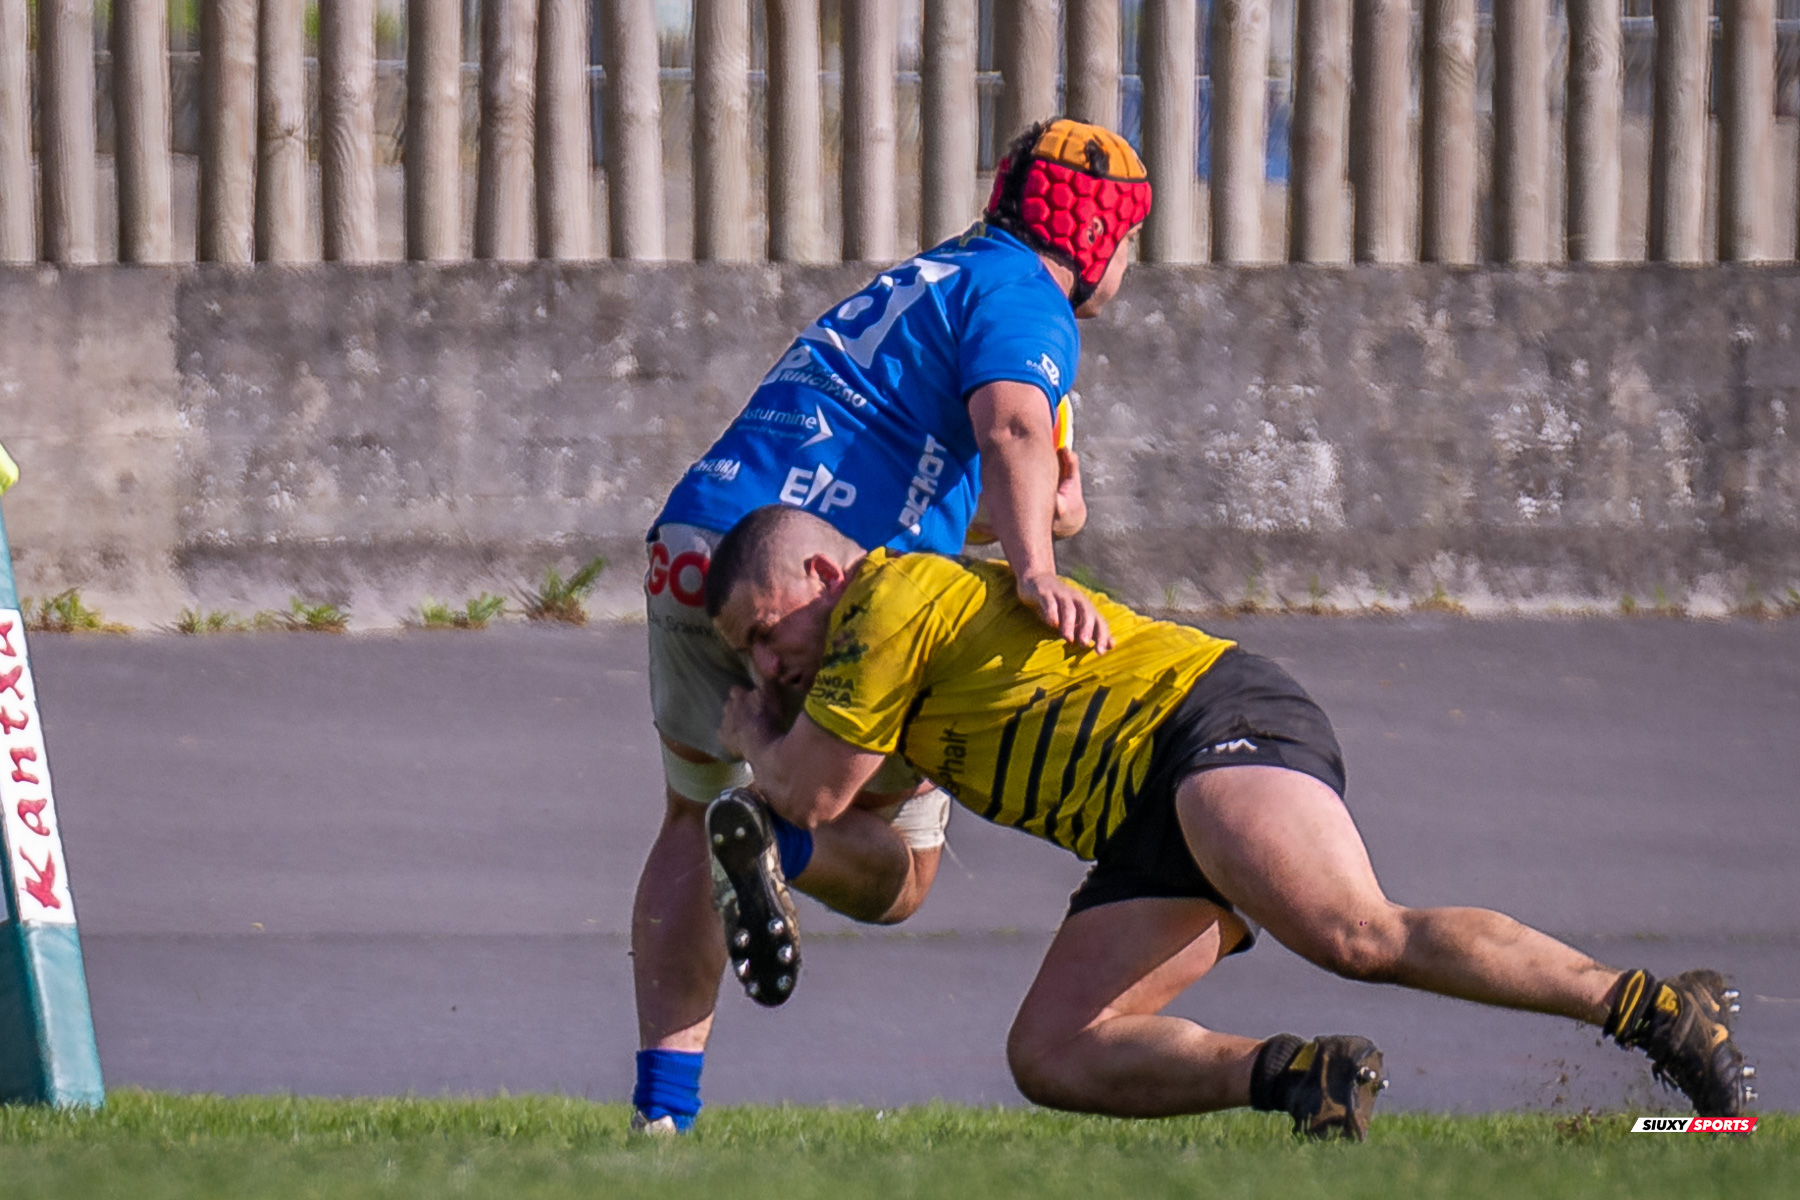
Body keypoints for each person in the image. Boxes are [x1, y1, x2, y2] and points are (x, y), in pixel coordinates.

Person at [700, 505, 1754, 1138]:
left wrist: (757, 751)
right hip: (1139, 819)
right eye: (751, 658)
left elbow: (816, 790)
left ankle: (1653, 1010)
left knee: (1356, 934)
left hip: (1205, 725)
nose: (766, 665)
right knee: (1053, 1052)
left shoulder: (884, 601)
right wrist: (776, 852)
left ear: (822, 575)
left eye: (763, 633)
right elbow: (879, 852)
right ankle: (1306, 1076)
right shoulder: (871, 685)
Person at [629, 118, 1155, 1134]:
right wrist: (1041, 572)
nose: (1129, 262)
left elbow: (1000, 462)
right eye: (1130, 240)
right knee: (900, 871)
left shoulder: (940, 273)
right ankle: (779, 836)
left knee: (691, 818)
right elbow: (1008, 428)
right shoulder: (1027, 299)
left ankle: (664, 1114)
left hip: (702, 545)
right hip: (833, 589)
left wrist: (1046, 504)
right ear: (1094, 241)